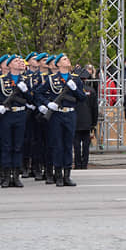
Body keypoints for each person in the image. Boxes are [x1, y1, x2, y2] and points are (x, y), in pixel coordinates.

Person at [0, 54, 35, 188]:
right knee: (6, 146)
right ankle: (6, 176)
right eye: (16, 61)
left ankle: (16, 176)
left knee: (18, 146)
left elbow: (32, 99)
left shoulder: (26, 80)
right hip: (6, 115)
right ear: (9, 65)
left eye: (19, 61)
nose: (19, 63)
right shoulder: (1, 80)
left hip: (20, 114)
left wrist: (26, 91)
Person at [34, 53, 87, 187]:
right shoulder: (51, 79)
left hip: (70, 114)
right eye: (64, 59)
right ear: (58, 64)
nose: (67, 60)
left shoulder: (75, 79)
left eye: (68, 58)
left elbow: (82, 98)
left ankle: (67, 175)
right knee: (57, 145)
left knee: (68, 145)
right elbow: (38, 93)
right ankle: (58, 175)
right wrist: (47, 104)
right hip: (56, 115)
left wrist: (75, 89)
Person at [73, 68, 98, 170]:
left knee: (76, 144)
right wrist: (94, 123)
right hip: (88, 121)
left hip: (75, 121)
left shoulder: (73, 90)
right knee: (86, 145)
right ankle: (85, 164)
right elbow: (94, 108)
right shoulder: (91, 91)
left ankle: (77, 163)